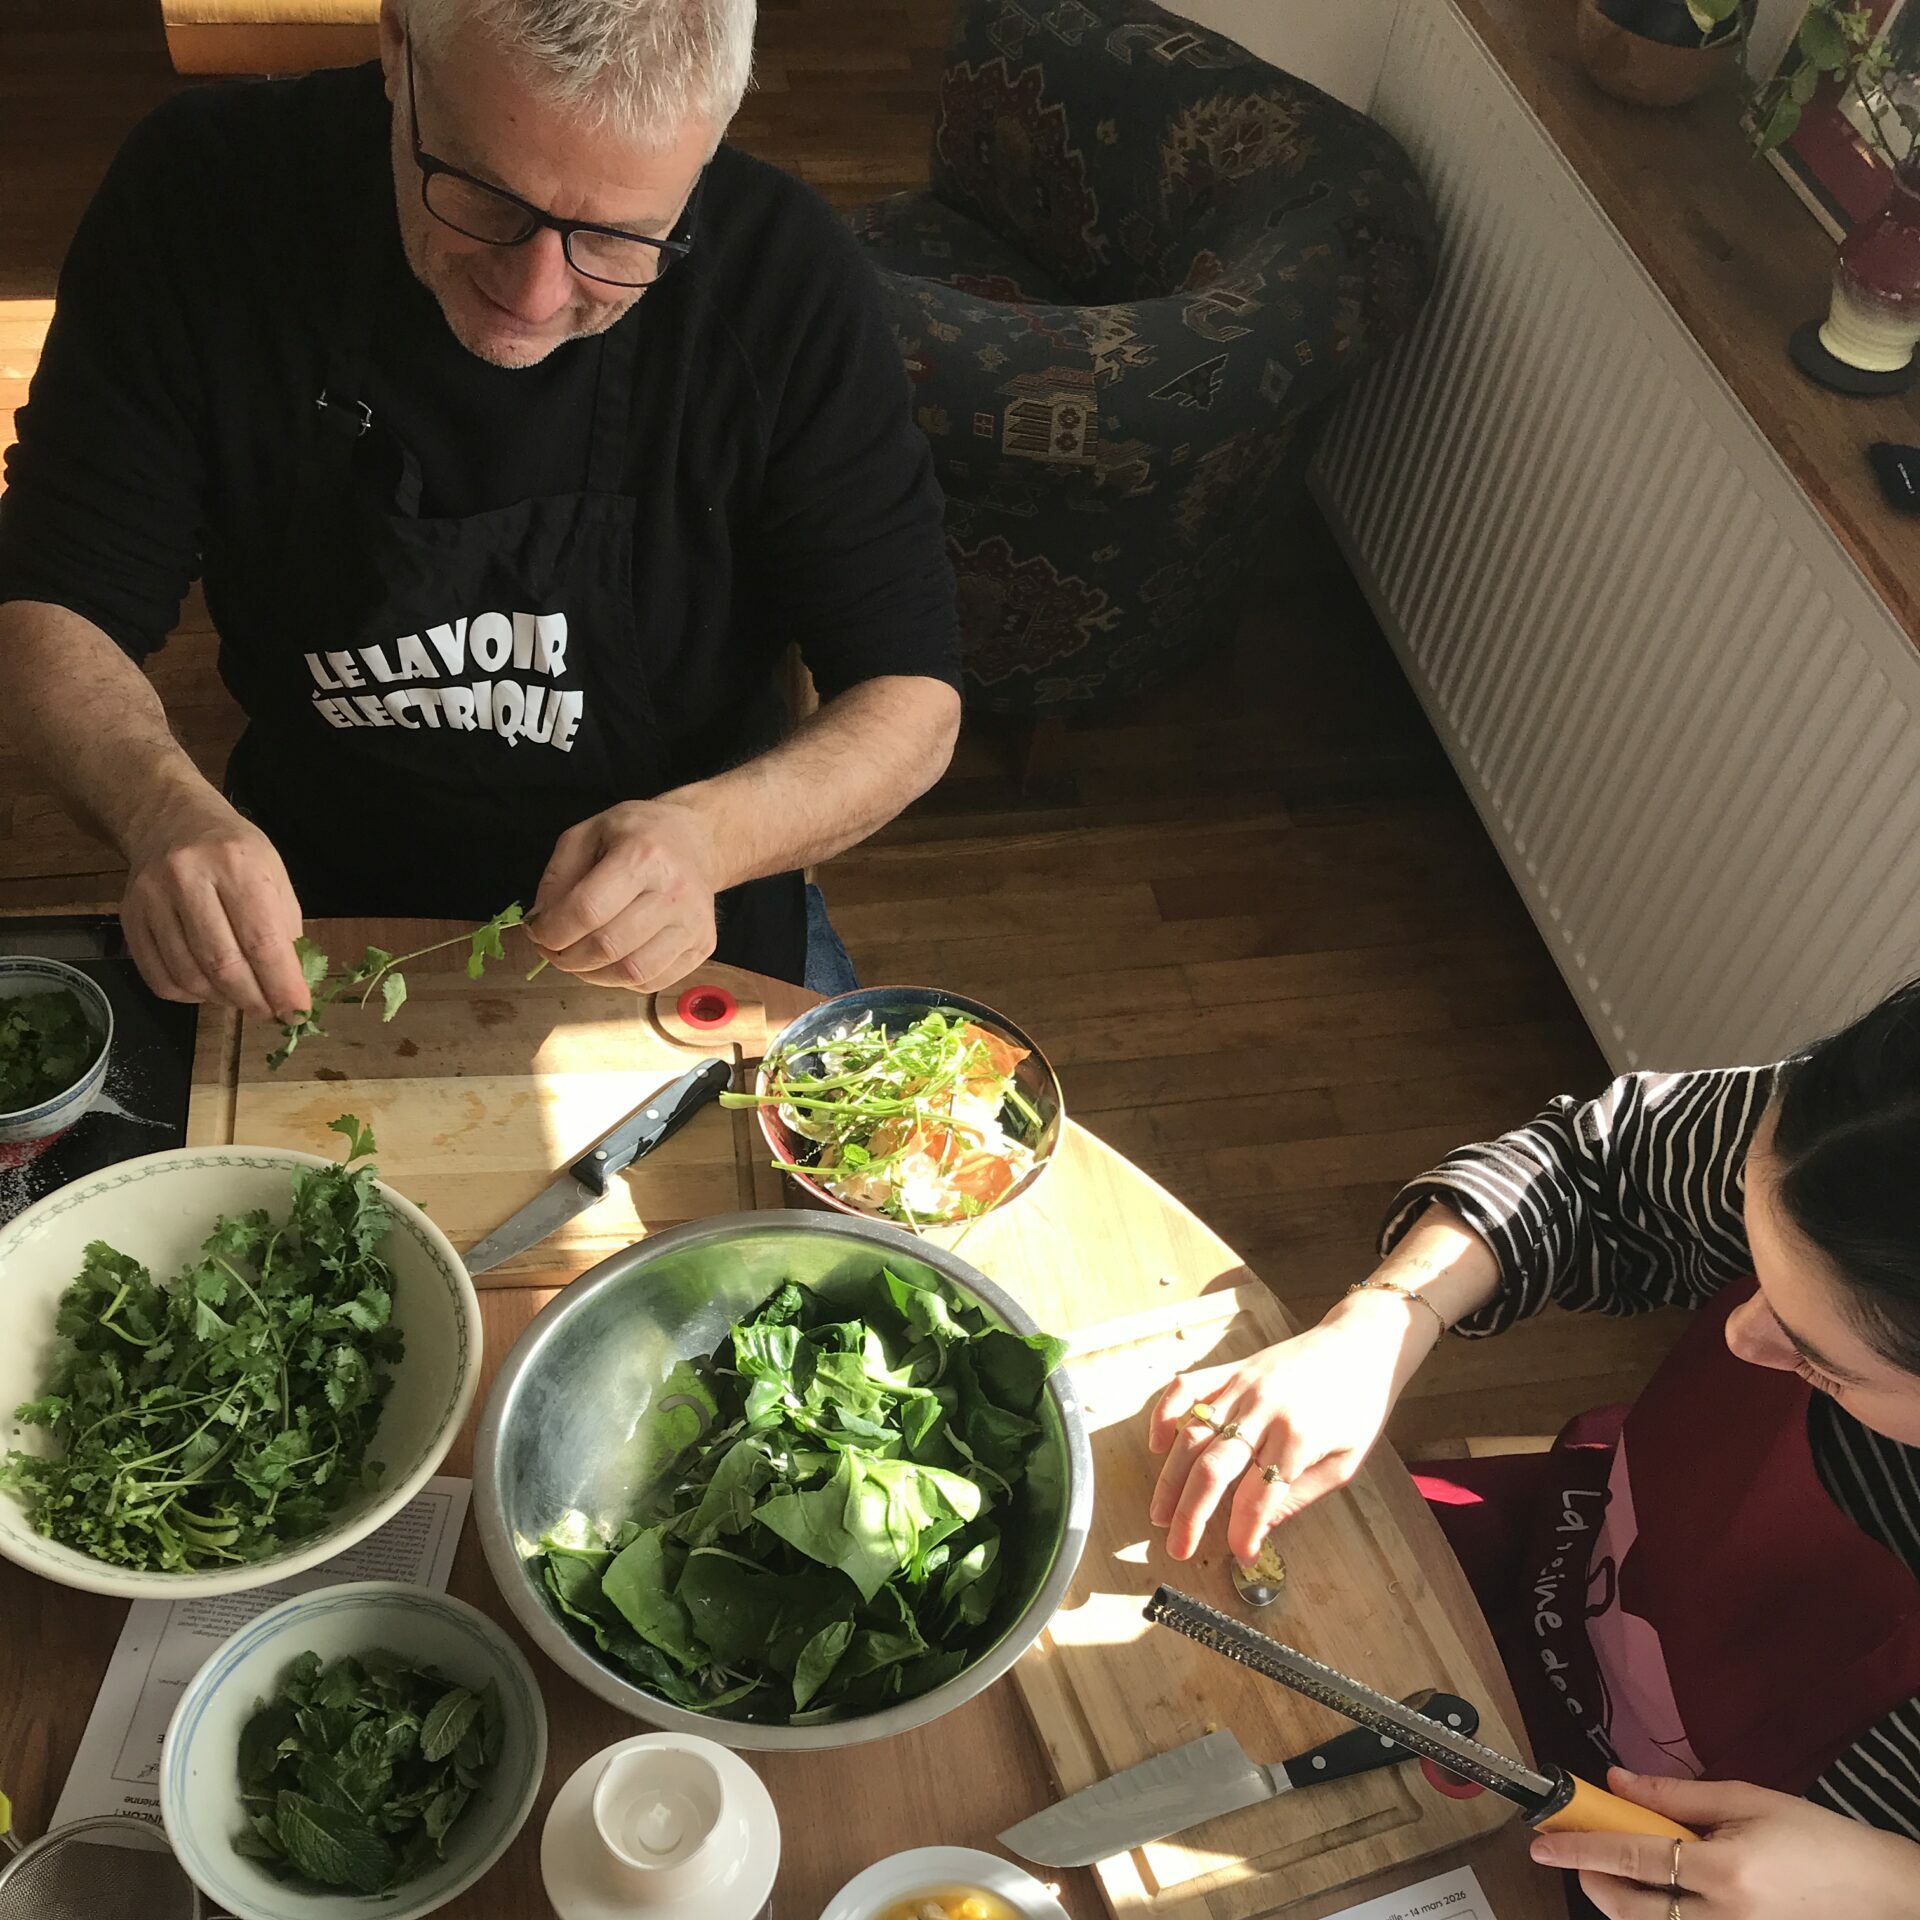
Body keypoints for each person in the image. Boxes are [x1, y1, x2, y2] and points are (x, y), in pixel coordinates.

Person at [0, 0, 961, 1018]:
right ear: (397, 42)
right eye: (484, 196)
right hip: (306, 915)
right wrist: (159, 810)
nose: (536, 296)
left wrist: (709, 837)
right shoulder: (205, 202)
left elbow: (911, 703)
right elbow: (55, 602)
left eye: (624, 239)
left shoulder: (786, 278)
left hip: (683, 932)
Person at [1147, 979, 1920, 1920]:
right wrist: (1387, 1321)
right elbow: (1590, 1166)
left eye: (1817, 1359)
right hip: (1543, 1570)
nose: (1739, 1335)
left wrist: (1894, 1891)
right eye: (1751, 1269)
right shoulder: (1870, 1140)